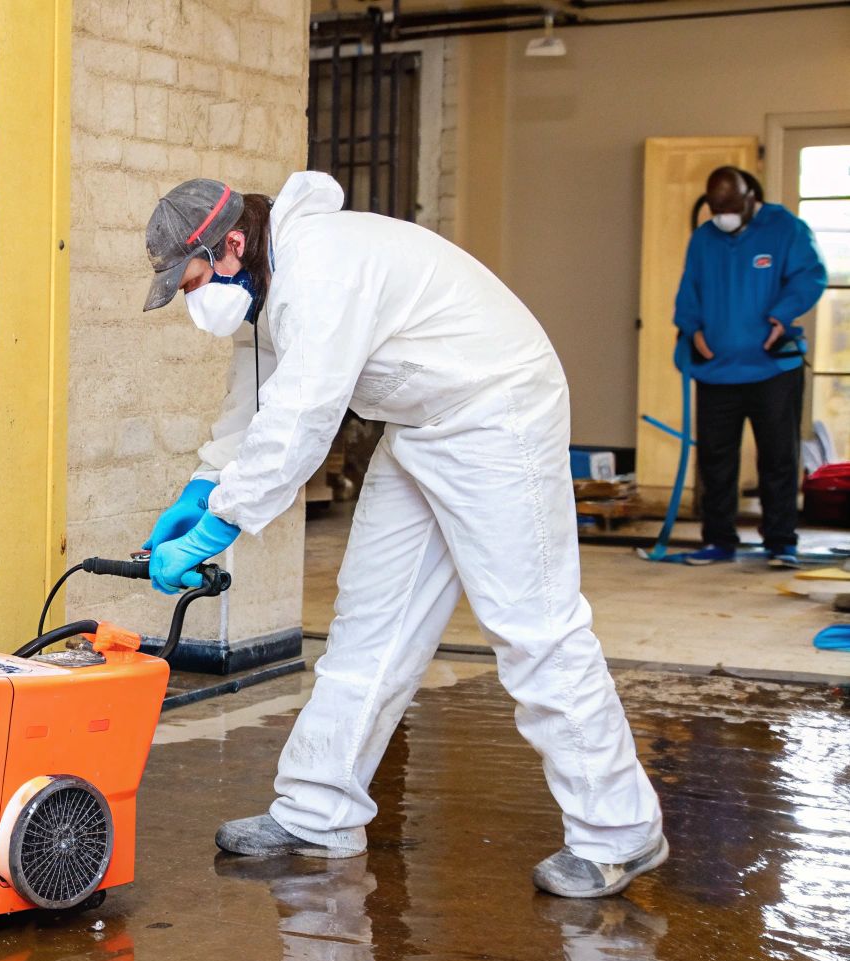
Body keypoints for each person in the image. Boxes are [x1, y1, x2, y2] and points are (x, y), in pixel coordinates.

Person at [139, 172, 666, 898]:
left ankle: (619, 832)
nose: (195, 299)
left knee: (533, 626)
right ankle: (318, 810)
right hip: (420, 422)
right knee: (370, 621)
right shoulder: (265, 283)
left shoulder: (320, 266)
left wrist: (221, 524)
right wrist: (203, 484)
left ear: (230, 243)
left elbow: (301, 421)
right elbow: (256, 401)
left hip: (495, 411)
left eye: (194, 282)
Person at [674, 166, 828, 568]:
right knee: (715, 458)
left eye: (730, 207)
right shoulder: (704, 239)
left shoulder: (785, 229)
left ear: (749, 198)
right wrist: (692, 329)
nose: (722, 215)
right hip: (716, 369)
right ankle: (719, 539)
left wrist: (782, 314)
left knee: (778, 456)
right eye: (715, 208)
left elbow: (810, 276)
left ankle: (781, 542)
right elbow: (688, 290)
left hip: (773, 368)